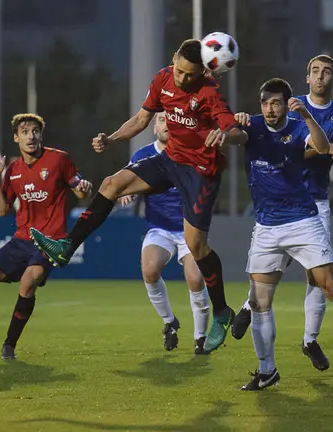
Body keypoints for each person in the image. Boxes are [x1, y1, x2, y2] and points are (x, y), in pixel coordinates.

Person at [29, 39, 248, 354]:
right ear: (173, 59)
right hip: (170, 160)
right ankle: (67, 247)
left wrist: (225, 134)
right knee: (111, 184)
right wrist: (113, 138)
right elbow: (142, 118)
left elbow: (239, 134)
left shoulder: (209, 91)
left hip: (200, 171)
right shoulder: (162, 77)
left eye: (191, 74)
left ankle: (222, 312)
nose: (184, 78)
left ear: (203, 70)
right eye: (180, 71)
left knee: (197, 245)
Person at [233, 78, 333, 392]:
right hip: (266, 227)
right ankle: (267, 371)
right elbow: (230, 138)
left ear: (287, 104)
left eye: (275, 103)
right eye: (265, 103)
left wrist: (309, 117)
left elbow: (324, 147)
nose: (270, 109)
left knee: (331, 285)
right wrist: (233, 122)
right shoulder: (255, 126)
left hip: (302, 221)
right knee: (260, 302)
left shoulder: (299, 127)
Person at [0, 113, 92, 360]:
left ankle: (9, 345)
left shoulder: (59, 159)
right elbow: (1, 210)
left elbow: (79, 192)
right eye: (25, 132)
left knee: (28, 281)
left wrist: (83, 188)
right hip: (21, 239)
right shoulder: (12, 170)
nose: (31, 136)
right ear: (16, 138)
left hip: (51, 242)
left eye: (35, 131)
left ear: (41, 135)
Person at [119, 113, 209, 354]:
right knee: (149, 269)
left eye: (171, 118)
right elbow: (129, 182)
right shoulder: (143, 155)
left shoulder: (190, 152)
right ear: (153, 127)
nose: (166, 123)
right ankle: (170, 322)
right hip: (159, 228)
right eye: (160, 119)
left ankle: (200, 338)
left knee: (195, 278)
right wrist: (128, 192)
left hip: (189, 228)